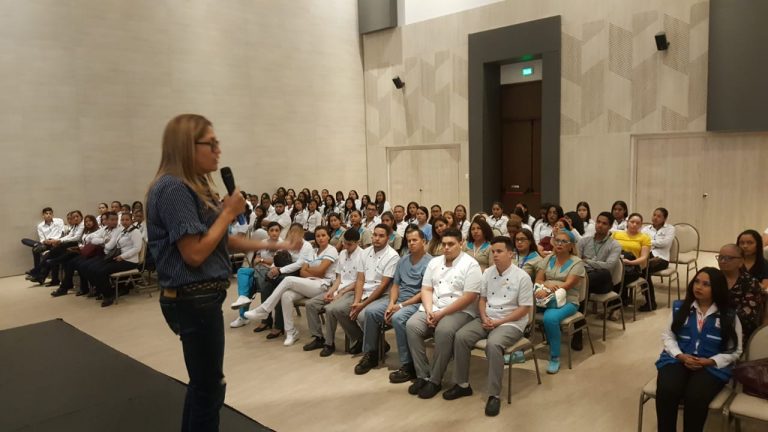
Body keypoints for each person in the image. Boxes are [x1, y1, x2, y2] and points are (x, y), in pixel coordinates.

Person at [146, 114, 291, 431]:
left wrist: (268, 242)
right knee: (210, 387)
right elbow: (195, 253)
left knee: (203, 385)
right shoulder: (173, 189)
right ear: (187, 146)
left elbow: (220, 240)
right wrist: (228, 211)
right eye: (210, 144)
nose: (218, 150)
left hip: (200, 299)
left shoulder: (194, 187)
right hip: (191, 298)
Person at [448, 236, 533, 416]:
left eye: (499, 251)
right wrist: (484, 316)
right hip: (488, 317)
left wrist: (499, 322)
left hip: (511, 322)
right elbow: (483, 299)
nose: (495, 255)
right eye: (493, 251)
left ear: (511, 254)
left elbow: (525, 309)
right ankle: (462, 384)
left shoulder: (522, 277)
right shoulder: (487, 273)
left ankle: (494, 395)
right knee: (461, 337)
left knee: (493, 344)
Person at [655, 267, 742, 432]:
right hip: (678, 358)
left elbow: (735, 350)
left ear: (717, 288)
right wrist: (680, 356)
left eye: (706, 284)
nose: (699, 287)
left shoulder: (729, 315)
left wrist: (710, 361)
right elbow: (668, 337)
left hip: (710, 365)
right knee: (667, 390)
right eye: (696, 281)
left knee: (695, 397)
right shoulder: (680, 307)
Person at [406, 228, 482, 399]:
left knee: (444, 330)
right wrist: (429, 311)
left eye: (451, 244)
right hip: (433, 307)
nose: (446, 248)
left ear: (461, 244)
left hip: (460, 310)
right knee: (411, 325)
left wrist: (441, 314)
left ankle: (435, 379)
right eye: (444, 244)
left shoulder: (471, 264)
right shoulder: (434, 262)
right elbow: (426, 288)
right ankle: (422, 375)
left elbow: (469, 296)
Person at [244, 226, 338, 346]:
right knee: (286, 295)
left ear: (329, 236)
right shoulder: (314, 252)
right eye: (318, 236)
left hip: (324, 285)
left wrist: (310, 269)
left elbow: (320, 271)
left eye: (323, 235)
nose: (320, 238)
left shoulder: (331, 250)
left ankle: (264, 309)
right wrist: (311, 270)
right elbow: (303, 271)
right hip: (309, 282)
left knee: (288, 280)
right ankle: (290, 332)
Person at [353, 225, 425, 375]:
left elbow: (425, 292)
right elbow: (395, 285)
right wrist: (392, 303)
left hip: (416, 302)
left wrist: (400, 306)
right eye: (409, 240)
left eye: (415, 240)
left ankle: (407, 364)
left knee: (398, 318)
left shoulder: (430, 262)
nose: (411, 243)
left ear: (423, 241)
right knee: (371, 312)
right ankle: (371, 354)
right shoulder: (403, 260)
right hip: (398, 299)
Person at [340, 224, 399, 368]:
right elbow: (360, 279)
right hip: (363, 292)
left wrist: (362, 305)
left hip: (382, 295)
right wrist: (357, 301)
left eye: (381, 236)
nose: (377, 239)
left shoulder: (392, 256)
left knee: (362, 315)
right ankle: (369, 341)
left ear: (388, 238)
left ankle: (370, 352)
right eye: (375, 235)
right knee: (338, 309)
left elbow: (383, 285)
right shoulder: (364, 252)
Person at [303, 229, 364, 357]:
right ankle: (318, 337)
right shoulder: (342, 253)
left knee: (330, 309)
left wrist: (341, 293)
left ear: (357, 242)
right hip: (339, 288)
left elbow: (359, 281)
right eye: (344, 243)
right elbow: (339, 278)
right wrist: (331, 291)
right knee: (310, 304)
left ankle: (329, 343)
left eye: (349, 244)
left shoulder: (362, 256)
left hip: (352, 291)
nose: (346, 246)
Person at [534, 229, 586, 374]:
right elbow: (538, 279)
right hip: (544, 297)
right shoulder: (549, 258)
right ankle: (522, 349)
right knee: (523, 309)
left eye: (564, 241)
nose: (559, 244)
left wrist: (549, 288)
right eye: (557, 240)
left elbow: (568, 284)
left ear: (571, 246)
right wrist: (544, 288)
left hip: (568, 301)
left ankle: (555, 357)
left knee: (550, 318)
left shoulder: (577, 262)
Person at [80, 212, 144, 307]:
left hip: (130, 261)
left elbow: (137, 248)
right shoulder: (123, 232)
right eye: (122, 220)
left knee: (102, 271)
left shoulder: (135, 232)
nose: (124, 222)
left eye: (127, 220)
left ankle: (108, 296)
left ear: (131, 220)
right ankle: (102, 290)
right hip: (119, 258)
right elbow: (112, 245)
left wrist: (122, 256)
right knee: (95, 268)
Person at [229, 222, 281, 329]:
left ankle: (245, 316)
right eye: (272, 230)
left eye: (277, 230)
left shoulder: (282, 244)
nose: (274, 233)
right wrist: (262, 261)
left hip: (272, 273)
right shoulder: (263, 242)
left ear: (280, 232)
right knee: (242, 272)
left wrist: (262, 260)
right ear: (268, 232)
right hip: (259, 270)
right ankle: (243, 299)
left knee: (249, 284)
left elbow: (275, 262)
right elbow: (256, 261)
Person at [717, 243, 765, 340]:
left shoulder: (750, 283)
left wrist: (715, 320)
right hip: (708, 326)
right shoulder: (712, 278)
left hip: (737, 331)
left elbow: (747, 316)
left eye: (729, 258)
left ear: (741, 262)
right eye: (720, 257)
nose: (722, 261)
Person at [614, 213, 655, 310]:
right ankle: (618, 302)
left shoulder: (644, 237)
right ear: (627, 223)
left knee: (619, 278)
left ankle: (616, 306)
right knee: (609, 276)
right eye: (632, 222)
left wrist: (630, 262)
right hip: (616, 264)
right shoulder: (616, 234)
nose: (634, 224)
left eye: (638, 223)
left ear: (641, 225)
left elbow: (644, 257)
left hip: (634, 267)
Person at [577, 212, 622, 296]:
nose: (600, 225)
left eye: (604, 223)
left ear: (610, 226)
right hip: (583, 274)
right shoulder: (584, 241)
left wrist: (587, 261)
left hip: (603, 281)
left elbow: (608, 266)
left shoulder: (615, 245)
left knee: (603, 273)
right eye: (598, 222)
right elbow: (577, 261)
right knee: (580, 278)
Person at [21, 207, 65, 277]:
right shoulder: (40, 226)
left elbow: (62, 233)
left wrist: (54, 241)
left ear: (52, 215)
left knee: (35, 250)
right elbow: (42, 239)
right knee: (24, 240)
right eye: (46, 214)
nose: (48, 215)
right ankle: (37, 245)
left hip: (56, 242)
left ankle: (36, 271)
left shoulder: (59, 221)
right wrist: (45, 241)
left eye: (50, 213)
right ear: (43, 215)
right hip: (46, 243)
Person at [642, 208, 676, 281]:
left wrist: (648, 242)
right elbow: (640, 241)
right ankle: (646, 292)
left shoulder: (670, 229)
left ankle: (647, 292)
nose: (655, 218)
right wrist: (655, 242)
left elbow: (664, 243)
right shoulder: (646, 229)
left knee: (644, 269)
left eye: (659, 216)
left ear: (665, 218)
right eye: (654, 215)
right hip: (647, 255)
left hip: (661, 258)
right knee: (636, 268)